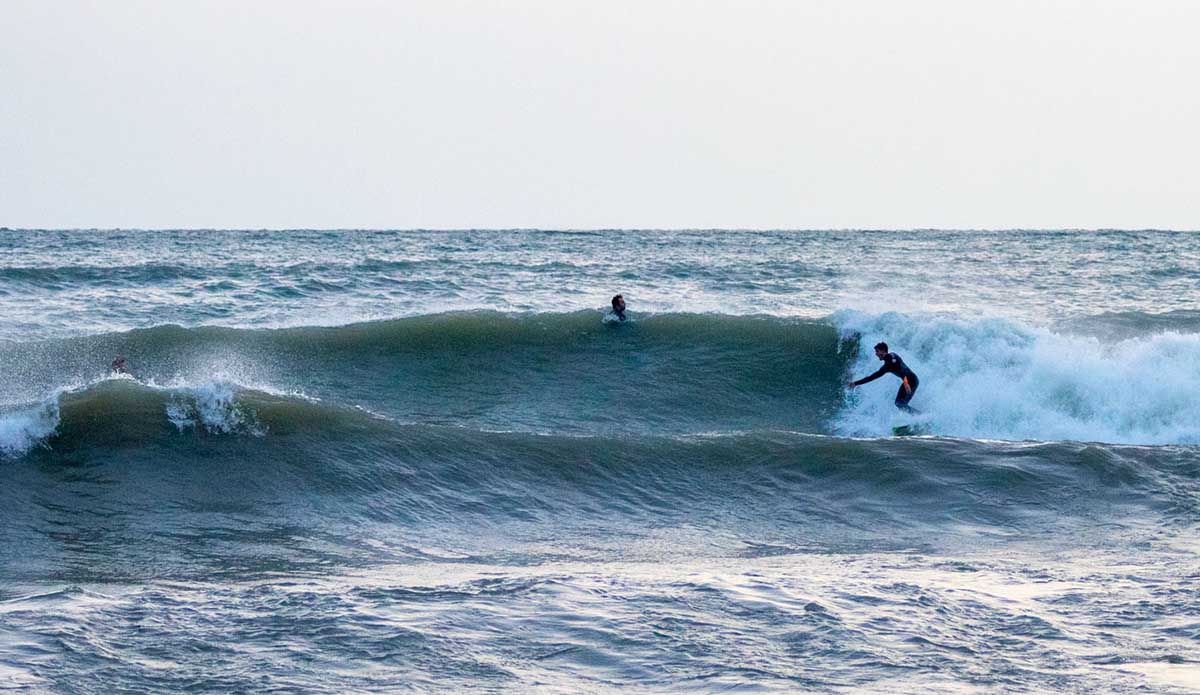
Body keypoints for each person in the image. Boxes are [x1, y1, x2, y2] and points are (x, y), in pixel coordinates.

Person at [848, 342, 919, 412]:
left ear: (883, 351)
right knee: (899, 403)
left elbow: (901, 370)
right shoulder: (886, 367)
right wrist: (855, 383)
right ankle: (918, 415)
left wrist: (906, 383)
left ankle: (919, 415)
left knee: (900, 404)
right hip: (908, 382)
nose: (876, 354)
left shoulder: (892, 356)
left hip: (912, 381)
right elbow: (871, 377)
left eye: (877, 351)